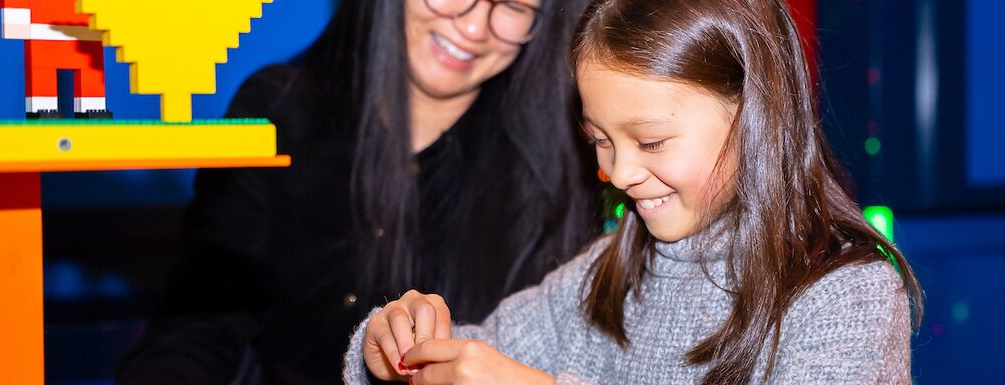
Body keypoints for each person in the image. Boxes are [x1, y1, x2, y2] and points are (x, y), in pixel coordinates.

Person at [343, 0, 925, 384]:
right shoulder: (604, 274)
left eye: (649, 143)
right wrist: (396, 350)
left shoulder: (847, 296)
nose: (619, 173)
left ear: (758, 118)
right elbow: (477, 354)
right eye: (599, 139)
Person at [117, 0, 596, 384]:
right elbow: (199, 322)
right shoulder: (280, 109)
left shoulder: (558, 165)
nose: (473, 27)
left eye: (512, 6)